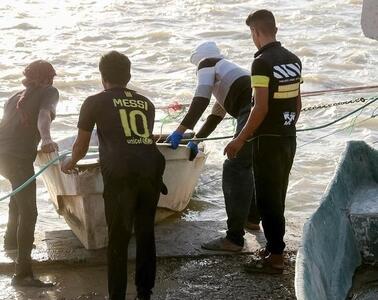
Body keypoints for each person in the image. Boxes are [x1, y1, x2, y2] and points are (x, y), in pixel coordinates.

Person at [61, 51, 166, 300]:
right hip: (152, 169)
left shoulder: (94, 102)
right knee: (145, 232)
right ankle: (144, 292)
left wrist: (70, 162)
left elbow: (82, 145)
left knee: (118, 236)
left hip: (120, 173)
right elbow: (139, 139)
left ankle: (117, 295)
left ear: (102, 76)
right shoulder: (146, 103)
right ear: (129, 76)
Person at [225, 9, 302, 273]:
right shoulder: (293, 60)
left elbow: (259, 108)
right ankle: (273, 247)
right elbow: (298, 102)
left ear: (255, 32)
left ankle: (276, 258)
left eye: (251, 33)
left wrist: (239, 139)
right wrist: (287, 126)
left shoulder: (261, 63)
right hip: (288, 137)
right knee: (277, 194)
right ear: (275, 30)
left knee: (268, 199)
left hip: (267, 141)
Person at [166, 41, 260, 252]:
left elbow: (200, 99)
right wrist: (197, 138)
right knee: (249, 164)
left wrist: (180, 131)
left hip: (250, 109)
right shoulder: (229, 73)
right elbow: (215, 116)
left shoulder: (208, 63)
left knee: (234, 167)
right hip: (259, 109)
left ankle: (234, 239)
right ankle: (253, 219)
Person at [0, 60, 59, 286]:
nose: (53, 81)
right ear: (47, 79)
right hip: (16, 158)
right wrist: (45, 138)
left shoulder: (15, 96)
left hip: (2, 156)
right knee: (30, 211)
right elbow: (44, 115)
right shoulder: (49, 91)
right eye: (51, 77)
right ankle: (22, 273)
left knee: (18, 194)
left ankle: (10, 243)